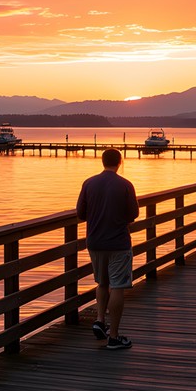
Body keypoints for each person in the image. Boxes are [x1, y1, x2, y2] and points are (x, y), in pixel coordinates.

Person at [76, 148, 140, 350]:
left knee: (102, 283)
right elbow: (133, 214)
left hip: (95, 242)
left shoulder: (89, 183)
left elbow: (80, 213)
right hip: (118, 243)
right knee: (118, 286)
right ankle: (113, 337)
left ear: (102, 161)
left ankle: (100, 320)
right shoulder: (125, 185)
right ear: (120, 162)